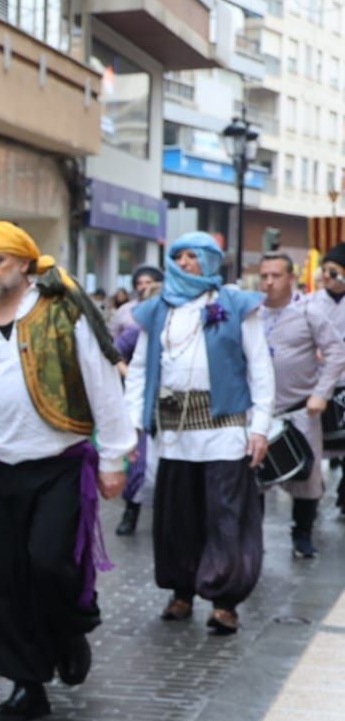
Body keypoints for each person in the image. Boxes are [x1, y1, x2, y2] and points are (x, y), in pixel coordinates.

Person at [0, 222, 133, 721]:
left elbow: (101, 379)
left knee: (50, 564)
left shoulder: (62, 310)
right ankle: (27, 685)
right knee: (3, 581)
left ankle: (67, 631)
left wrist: (114, 457)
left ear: (23, 262)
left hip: (60, 466)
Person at [124, 232, 273, 636]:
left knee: (225, 515)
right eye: (179, 256)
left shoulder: (237, 304)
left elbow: (259, 367)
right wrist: (132, 424)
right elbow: (139, 368)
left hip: (225, 430)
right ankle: (181, 591)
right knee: (177, 516)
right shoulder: (156, 310)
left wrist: (259, 427)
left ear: (211, 261)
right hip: (172, 433)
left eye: (194, 256)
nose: (185, 262)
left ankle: (225, 601)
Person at [258, 253, 345, 558]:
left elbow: (336, 353)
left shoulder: (308, 311)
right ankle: (251, 537)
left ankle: (302, 534)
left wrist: (321, 393)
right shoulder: (251, 312)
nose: (269, 282)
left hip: (300, 410)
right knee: (253, 477)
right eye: (264, 275)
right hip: (258, 413)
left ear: (291, 278)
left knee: (307, 479)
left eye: (276, 275)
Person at [112, 266, 164, 537]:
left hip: (175, 408)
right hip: (144, 404)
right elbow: (114, 352)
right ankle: (130, 512)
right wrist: (130, 373)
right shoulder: (138, 330)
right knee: (139, 463)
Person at [312, 245, 345, 513]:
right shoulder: (312, 302)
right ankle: (312, 494)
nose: (327, 275)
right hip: (321, 381)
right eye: (324, 270)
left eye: (333, 270)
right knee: (318, 441)